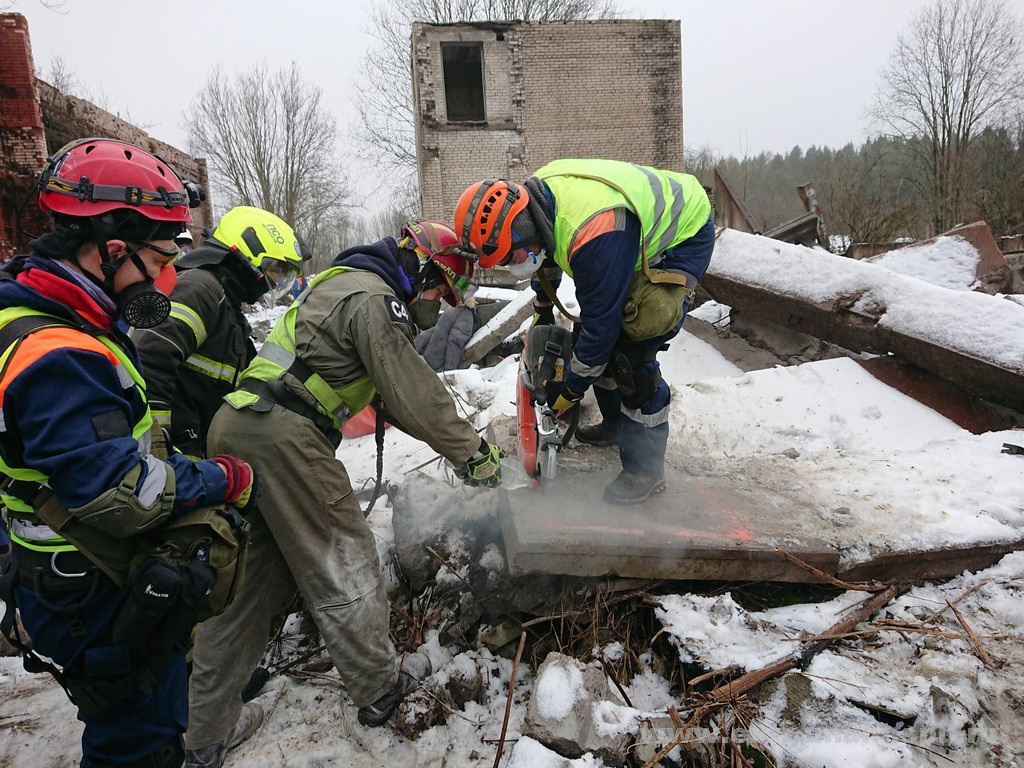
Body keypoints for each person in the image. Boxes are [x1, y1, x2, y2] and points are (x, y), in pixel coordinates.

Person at [184, 220, 501, 767]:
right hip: (284, 434)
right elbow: (416, 391)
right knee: (345, 557)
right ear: (419, 268)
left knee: (257, 578)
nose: (441, 305)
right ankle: (380, 690)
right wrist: (473, 453)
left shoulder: (346, 282)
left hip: (241, 424)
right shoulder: (375, 298)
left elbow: (390, 391)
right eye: (439, 289)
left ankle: (202, 731)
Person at [0, 138, 260, 768]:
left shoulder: (45, 317)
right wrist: (217, 477)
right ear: (113, 248)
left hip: (66, 570)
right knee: (137, 738)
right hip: (85, 580)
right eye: (162, 256)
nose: (170, 276)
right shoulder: (60, 353)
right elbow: (121, 490)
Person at [454, 158, 715, 505]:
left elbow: (600, 334)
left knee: (632, 350)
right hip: (623, 234)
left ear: (521, 230)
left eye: (510, 256)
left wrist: (570, 391)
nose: (511, 265)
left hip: (683, 235)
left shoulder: (592, 232)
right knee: (600, 342)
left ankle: (646, 471)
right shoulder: (537, 203)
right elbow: (545, 254)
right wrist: (543, 311)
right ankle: (616, 424)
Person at [133, 206, 308, 459]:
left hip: (194, 457)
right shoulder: (201, 289)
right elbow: (148, 361)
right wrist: (158, 454)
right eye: (274, 270)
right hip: (173, 459)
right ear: (248, 254)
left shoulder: (227, 307)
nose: (274, 280)